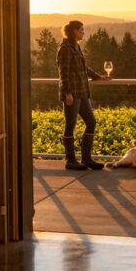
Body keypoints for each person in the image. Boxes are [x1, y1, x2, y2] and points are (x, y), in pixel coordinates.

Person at [57, 20, 112, 170]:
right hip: (72, 94)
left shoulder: (76, 46)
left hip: (82, 93)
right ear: (74, 31)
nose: (83, 32)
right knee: (70, 126)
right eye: (81, 29)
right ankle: (70, 160)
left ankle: (86, 158)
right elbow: (64, 72)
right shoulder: (65, 49)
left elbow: (83, 67)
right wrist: (67, 93)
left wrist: (98, 77)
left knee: (91, 122)